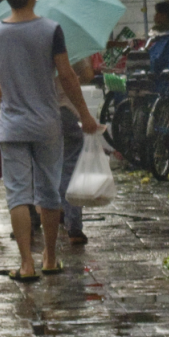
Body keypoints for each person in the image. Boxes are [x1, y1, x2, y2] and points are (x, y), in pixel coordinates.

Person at [0, 0, 99, 281]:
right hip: (47, 123)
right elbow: (68, 76)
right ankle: (49, 257)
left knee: (18, 195)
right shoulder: (51, 30)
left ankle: (25, 264)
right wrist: (85, 115)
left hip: (13, 126)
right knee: (49, 192)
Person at [57, 56, 97, 245]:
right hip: (65, 111)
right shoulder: (68, 42)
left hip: (38, 114)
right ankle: (74, 225)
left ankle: (38, 217)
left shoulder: (28, 38)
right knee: (70, 168)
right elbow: (88, 75)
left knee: (44, 168)